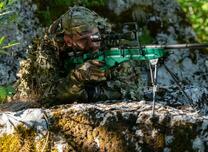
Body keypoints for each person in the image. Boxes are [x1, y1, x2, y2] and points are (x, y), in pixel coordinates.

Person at [11, 6, 144, 107]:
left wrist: (91, 93)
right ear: (69, 40)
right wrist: (77, 77)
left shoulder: (103, 33)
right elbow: (46, 97)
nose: (94, 44)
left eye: (95, 36)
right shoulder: (48, 49)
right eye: (84, 39)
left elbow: (132, 87)